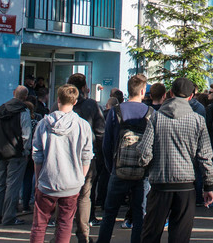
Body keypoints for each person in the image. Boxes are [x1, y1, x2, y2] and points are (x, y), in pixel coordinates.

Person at [140, 77, 213, 243]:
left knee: (151, 234)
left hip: (160, 183)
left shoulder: (156, 118)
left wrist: (148, 169)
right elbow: (205, 156)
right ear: (190, 97)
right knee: (180, 236)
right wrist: (208, 185)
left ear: (171, 93)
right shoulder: (198, 121)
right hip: (185, 185)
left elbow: (145, 152)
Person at [30, 84, 95, 243]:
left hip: (47, 181)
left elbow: (37, 155)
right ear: (75, 101)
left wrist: (38, 179)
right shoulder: (82, 125)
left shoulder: (43, 124)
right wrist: (81, 178)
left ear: (58, 99)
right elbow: (87, 156)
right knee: (65, 223)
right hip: (71, 182)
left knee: (39, 224)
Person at [97, 75, 153, 243]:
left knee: (109, 213)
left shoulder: (116, 111)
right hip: (142, 171)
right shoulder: (151, 113)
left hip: (118, 168)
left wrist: (111, 167)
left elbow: (106, 144)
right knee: (139, 213)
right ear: (143, 91)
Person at [69, 73, 107, 243]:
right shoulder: (91, 105)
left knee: (66, 195)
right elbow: (101, 132)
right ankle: (83, 235)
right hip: (87, 156)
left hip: (65, 156)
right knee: (85, 196)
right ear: (84, 87)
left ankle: (61, 234)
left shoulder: (58, 105)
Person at [0, 85, 34, 225]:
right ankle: (9, 216)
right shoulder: (23, 111)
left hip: (0, 152)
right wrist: (26, 151)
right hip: (16, 153)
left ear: (14, 93)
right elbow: (26, 134)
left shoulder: (0, 110)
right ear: (25, 97)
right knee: (13, 185)